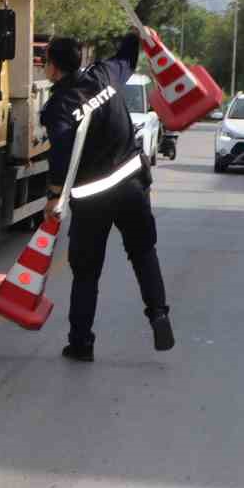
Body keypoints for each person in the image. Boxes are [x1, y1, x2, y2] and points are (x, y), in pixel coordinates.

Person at [41, 33, 173, 361]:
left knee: (86, 273)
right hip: (131, 186)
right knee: (143, 253)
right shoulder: (105, 75)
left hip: (92, 198)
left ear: (53, 69)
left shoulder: (58, 107)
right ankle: (158, 313)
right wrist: (139, 35)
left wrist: (53, 197)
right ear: (81, 58)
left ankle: (81, 342)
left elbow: (59, 157)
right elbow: (128, 55)